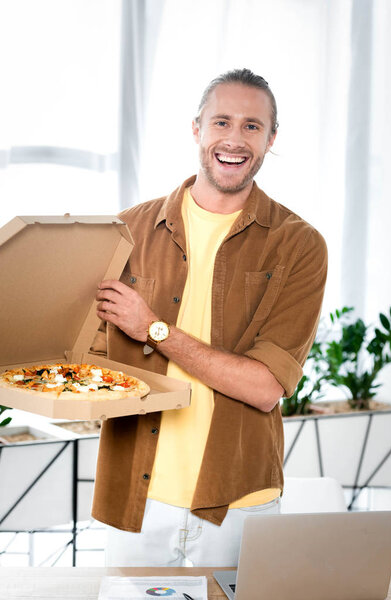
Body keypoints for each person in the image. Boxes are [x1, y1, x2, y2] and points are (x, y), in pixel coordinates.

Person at [91, 68, 328, 567]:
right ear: (196, 128)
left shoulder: (300, 245)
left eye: (251, 126)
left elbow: (265, 387)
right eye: (221, 122)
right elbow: (89, 357)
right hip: (136, 499)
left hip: (237, 503)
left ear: (271, 139)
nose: (234, 140)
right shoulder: (127, 229)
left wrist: (152, 330)